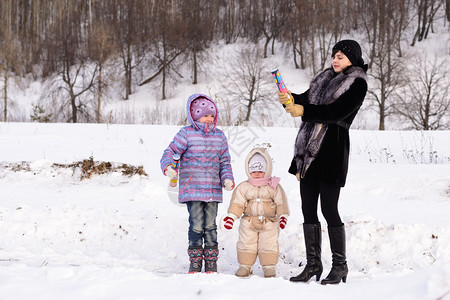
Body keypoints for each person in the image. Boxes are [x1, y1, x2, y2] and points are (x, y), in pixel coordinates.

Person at [277, 40, 368, 284]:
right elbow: (307, 100)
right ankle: (313, 265)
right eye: (333, 56)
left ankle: (340, 266)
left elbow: (336, 112)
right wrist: (290, 99)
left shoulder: (357, 83)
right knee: (308, 208)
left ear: (352, 59)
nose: (335, 60)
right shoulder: (324, 79)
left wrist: (303, 112)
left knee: (329, 209)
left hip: (332, 151)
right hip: (308, 151)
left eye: (340, 56)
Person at [160, 93, 235, 274]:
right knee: (195, 225)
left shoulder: (219, 136)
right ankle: (195, 262)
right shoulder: (186, 133)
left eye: (211, 115)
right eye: (204, 115)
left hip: (212, 191)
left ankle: (211, 262)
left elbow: (224, 161)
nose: (209, 119)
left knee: (210, 226)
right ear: (194, 115)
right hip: (192, 189)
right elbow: (170, 151)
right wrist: (168, 166)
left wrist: (227, 178)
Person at [222, 147, 289, 278]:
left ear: (267, 169)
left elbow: (281, 202)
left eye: (260, 170)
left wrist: (283, 216)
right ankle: (245, 266)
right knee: (246, 243)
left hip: (269, 223)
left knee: (268, 243)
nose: (257, 174)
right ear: (248, 169)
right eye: (253, 171)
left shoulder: (273, 186)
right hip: (249, 221)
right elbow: (237, 202)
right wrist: (231, 217)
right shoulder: (244, 187)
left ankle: (269, 267)